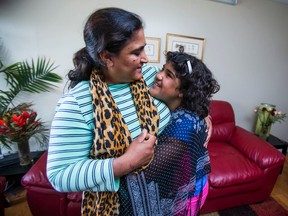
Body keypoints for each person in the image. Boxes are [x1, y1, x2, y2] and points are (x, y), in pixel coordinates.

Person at [46, 7, 212, 215]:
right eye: (136, 52)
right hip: (119, 207)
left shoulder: (148, 75)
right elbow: (59, 176)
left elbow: (189, 87)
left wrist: (205, 114)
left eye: (144, 48)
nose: (145, 58)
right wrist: (125, 163)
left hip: (164, 199)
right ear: (106, 57)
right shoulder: (77, 103)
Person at [125, 49, 220, 216]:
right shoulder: (177, 107)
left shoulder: (182, 126)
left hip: (188, 193)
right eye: (162, 69)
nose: (158, 75)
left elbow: (143, 174)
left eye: (168, 75)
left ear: (182, 91)